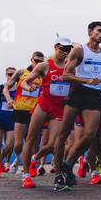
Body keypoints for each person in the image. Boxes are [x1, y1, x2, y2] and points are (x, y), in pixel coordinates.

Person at [55, 21, 101, 191]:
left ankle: (68, 164)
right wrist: (86, 80)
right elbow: (65, 75)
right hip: (78, 92)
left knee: (90, 134)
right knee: (63, 133)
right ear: (90, 32)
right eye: (99, 31)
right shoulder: (79, 50)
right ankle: (58, 174)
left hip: (94, 95)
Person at [17, 38, 74, 190]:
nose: (65, 52)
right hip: (44, 103)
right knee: (31, 137)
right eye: (62, 48)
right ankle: (26, 175)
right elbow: (25, 81)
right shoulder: (45, 65)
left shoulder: (70, 67)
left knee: (55, 143)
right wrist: (27, 87)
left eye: (68, 49)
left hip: (59, 107)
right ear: (55, 47)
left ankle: (36, 158)